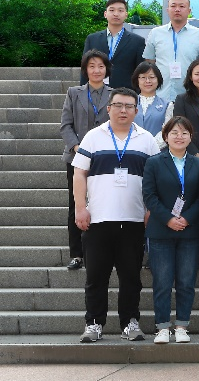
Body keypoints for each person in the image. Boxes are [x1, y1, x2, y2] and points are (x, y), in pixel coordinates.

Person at [73, 87, 160, 343]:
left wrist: (150, 210)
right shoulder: (93, 137)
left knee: (131, 277)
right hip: (98, 218)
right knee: (95, 277)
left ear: (136, 110)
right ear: (108, 109)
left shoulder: (147, 139)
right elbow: (79, 174)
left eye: (129, 106)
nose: (123, 110)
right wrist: (80, 207)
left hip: (134, 220)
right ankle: (94, 323)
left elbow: (155, 179)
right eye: (118, 105)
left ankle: (130, 322)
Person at [142, 115, 199, 344]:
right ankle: (162, 327)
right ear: (166, 136)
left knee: (186, 281)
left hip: (189, 231)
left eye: (184, 133)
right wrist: (168, 219)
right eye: (174, 133)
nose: (179, 137)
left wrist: (186, 218)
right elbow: (149, 196)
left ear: (190, 137)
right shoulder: (154, 162)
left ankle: (182, 326)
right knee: (162, 282)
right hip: (160, 231)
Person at [61, 51, 112, 271]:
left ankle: (104, 252)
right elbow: (65, 125)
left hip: (105, 159)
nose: (96, 70)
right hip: (76, 157)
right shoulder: (74, 93)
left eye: (100, 66)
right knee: (77, 203)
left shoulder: (114, 94)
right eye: (92, 66)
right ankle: (76, 254)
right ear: (85, 70)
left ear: (106, 69)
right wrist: (78, 148)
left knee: (105, 202)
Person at [142, 0, 199, 102]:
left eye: (182, 6)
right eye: (173, 6)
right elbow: (149, 61)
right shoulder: (155, 33)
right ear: (167, 10)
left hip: (190, 96)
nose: (177, 9)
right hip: (160, 95)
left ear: (189, 11)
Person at [82, 0, 145, 89]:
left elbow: (140, 71)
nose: (116, 14)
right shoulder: (92, 39)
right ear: (105, 14)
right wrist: (83, 92)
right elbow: (85, 68)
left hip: (126, 92)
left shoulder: (138, 41)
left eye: (120, 10)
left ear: (126, 15)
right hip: (96, 91)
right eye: (112, 10)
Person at [132, 62, 171, 137]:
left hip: (157, 144)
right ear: (137, 80)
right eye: (143, 77)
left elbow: (167, 130)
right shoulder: (129, 103)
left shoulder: (167, 105)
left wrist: (152, 143)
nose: (147, 81)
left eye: (152, 77)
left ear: (158, 79)